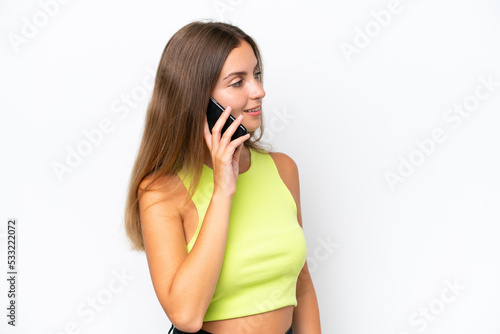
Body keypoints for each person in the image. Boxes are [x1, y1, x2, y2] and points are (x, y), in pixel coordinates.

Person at [124, 21, 321, 334]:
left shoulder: (283, 170)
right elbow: (186, 316)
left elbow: (302, 286)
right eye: (237, 82)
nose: (259, 91)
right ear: (198, 99)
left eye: (256, 74)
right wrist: (221, 192)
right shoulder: (161, 192)